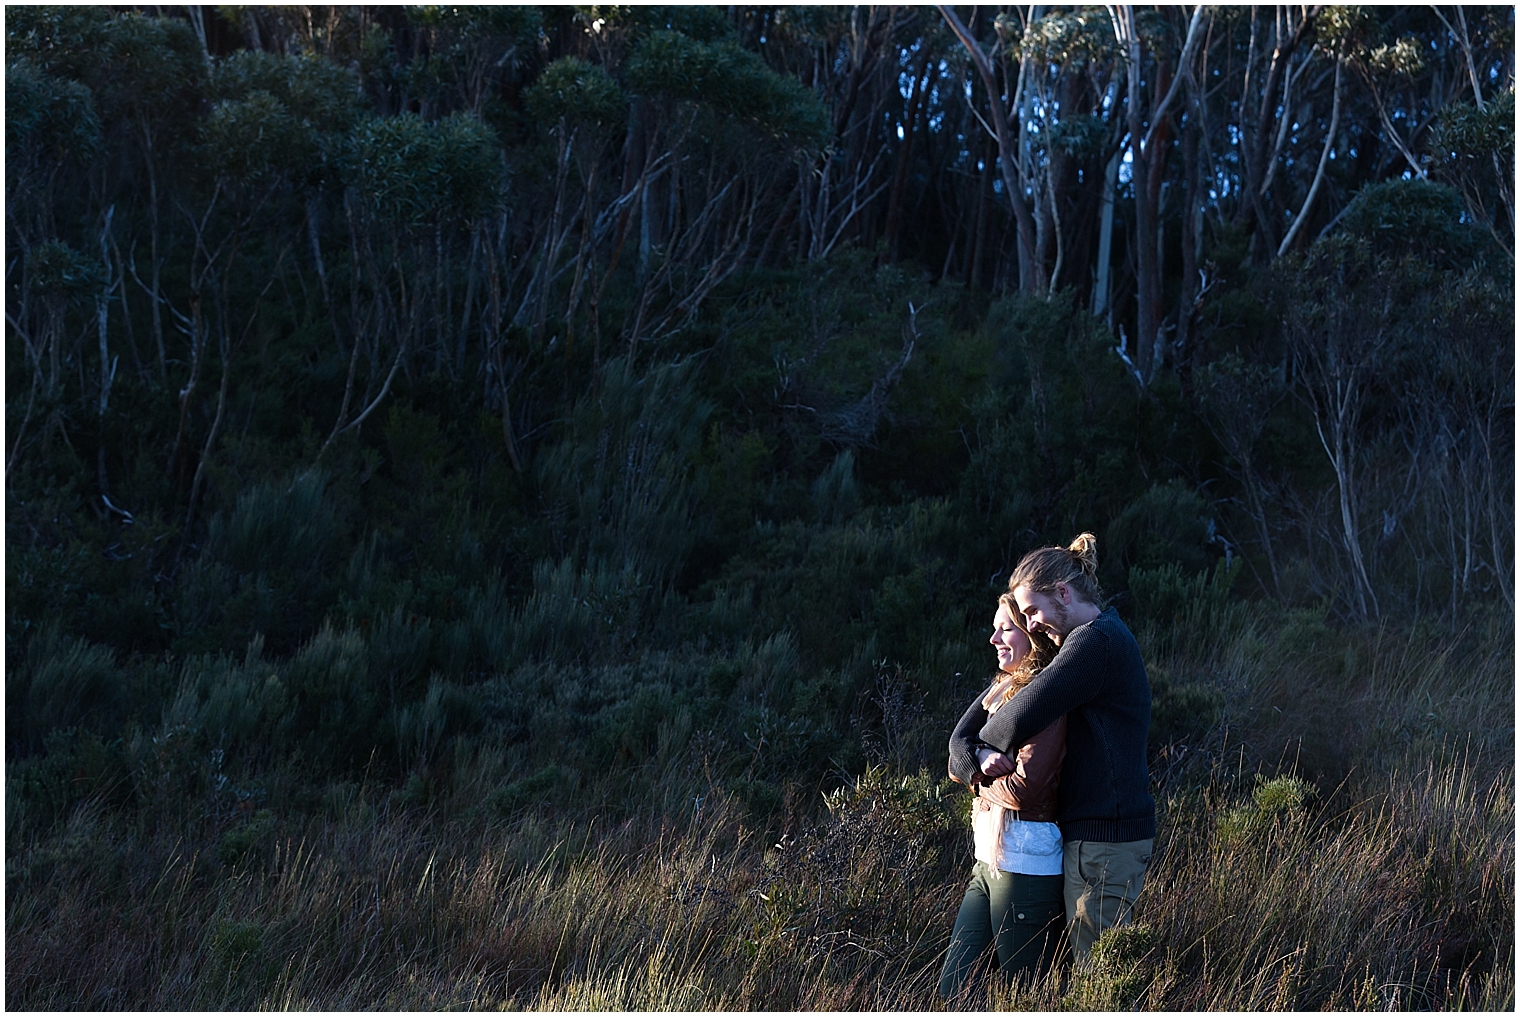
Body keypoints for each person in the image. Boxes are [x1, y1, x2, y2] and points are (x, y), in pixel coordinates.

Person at [947, 533, 1155, 963]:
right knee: (1082, 975)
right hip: (1092, 839)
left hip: (1105, 843)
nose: (1033, 624)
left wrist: (975, 757)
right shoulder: (1093, 639)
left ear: (1063, 592)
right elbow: (963, 737)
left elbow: (1021, 716)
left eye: (1033, 612)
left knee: (1097, 979)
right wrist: (975, 755)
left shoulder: (1094, 642)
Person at [938, 594, 1067, 999]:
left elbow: (1021, 791)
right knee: (955, 990)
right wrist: (978, 756)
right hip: (988, 861)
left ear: (1033, 638)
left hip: (1026, 865)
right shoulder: (1001, 689)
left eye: (1006, 628)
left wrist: (974, 776)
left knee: (1025, 996)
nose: (994, 638)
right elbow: (955, 752)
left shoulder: (1048, 698)